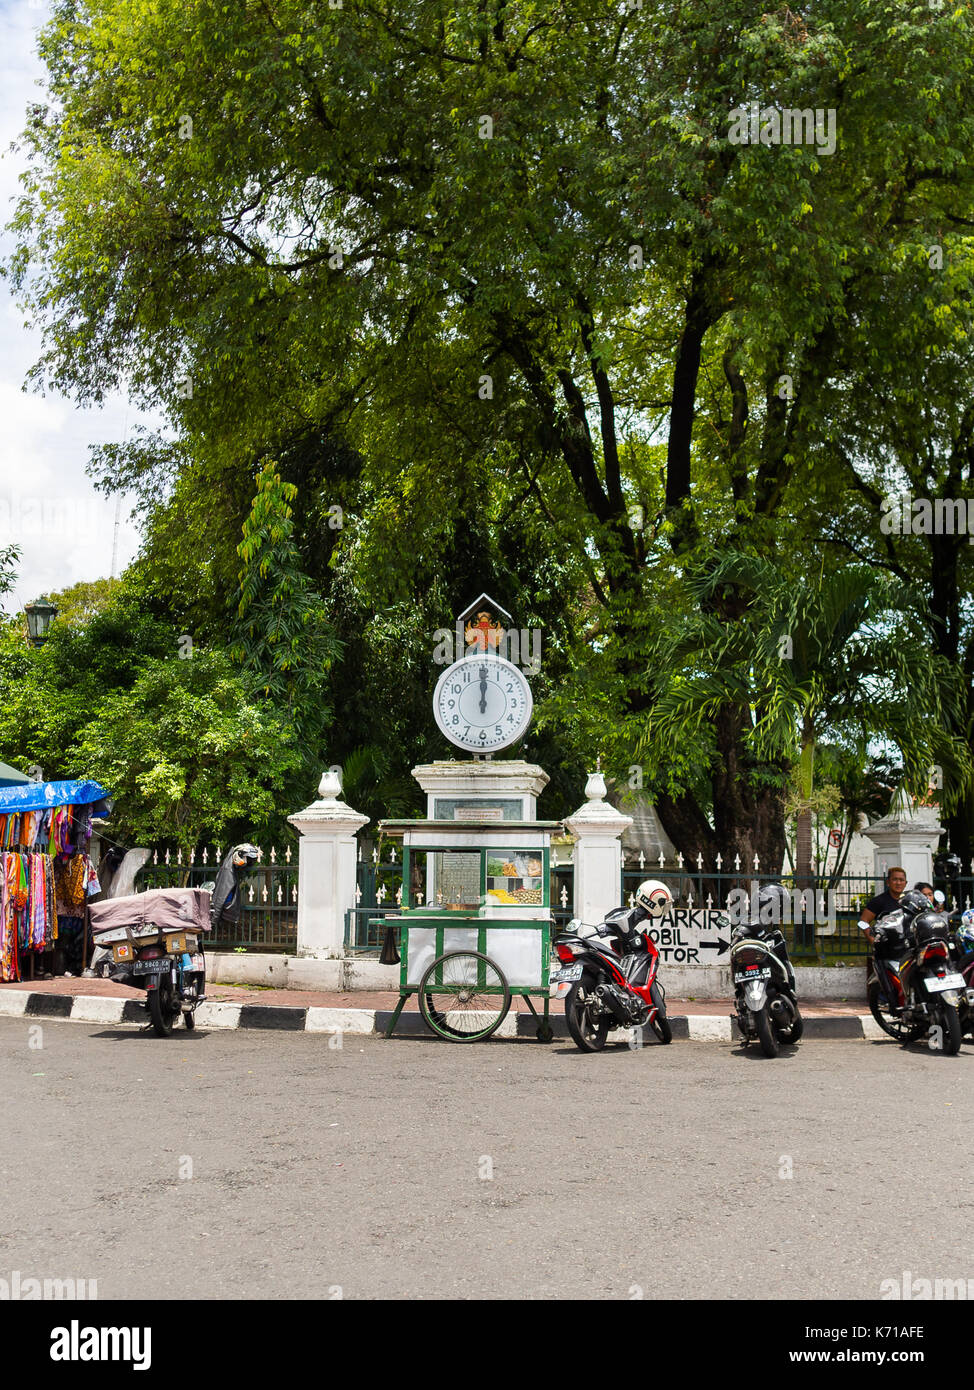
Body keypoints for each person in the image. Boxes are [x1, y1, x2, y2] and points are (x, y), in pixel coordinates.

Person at [602, 878, 673, 954]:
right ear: (655, 901)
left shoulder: (638, 913)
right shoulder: (636, 914)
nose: (665, 908)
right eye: (664, 904)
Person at [857, 867, 908, 943]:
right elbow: (863, 921)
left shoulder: (909, 901)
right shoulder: (879, 901)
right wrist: (873, 940)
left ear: (905, 883)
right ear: (888, 882)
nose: (898, 883)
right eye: (895, 879)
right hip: (886, 947)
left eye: (901, 880)